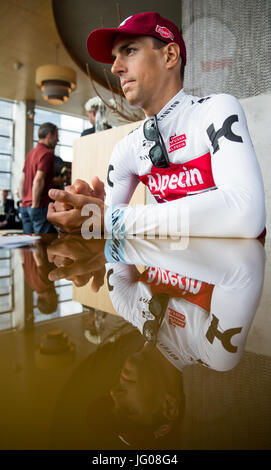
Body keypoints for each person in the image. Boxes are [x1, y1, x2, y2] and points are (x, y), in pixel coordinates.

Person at [47, 11, 266, 239]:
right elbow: (106, 225)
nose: (115, 68)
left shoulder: (216, 109)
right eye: (114, 57)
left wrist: (112, 218)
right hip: (163, 268)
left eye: (129, 50)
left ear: (170, 55)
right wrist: (80, 213)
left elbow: (247, 214)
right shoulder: (126, 147)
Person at [19, 122, 58, 234]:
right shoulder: (47, 154)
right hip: (38, 206)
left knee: (28, 246)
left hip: (25, 206)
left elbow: (22, 179)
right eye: (56, 135)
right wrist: (35, 205)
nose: (58, 140)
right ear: (49, 135)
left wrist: (23, 201)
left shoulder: (30, 154)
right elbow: (38, 180)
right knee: (43, 245)